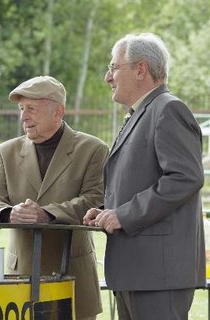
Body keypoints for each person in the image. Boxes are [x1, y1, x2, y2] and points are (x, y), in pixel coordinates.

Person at [83, 33, 205, 320]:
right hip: (138, 272)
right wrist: (106, 212)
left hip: (158, 276)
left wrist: (123, 215)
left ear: (140, 70)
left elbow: (184, 177)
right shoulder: (142, 113)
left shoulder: (168, 109)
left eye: (114, 68)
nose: (107, 77)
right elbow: (144, 180)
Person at [0, 76, 109, 320]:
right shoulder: (5, 152)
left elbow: (96, 199)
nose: (23, 117)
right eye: (21, 109)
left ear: (57, 111)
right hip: (20, 278)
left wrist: (47, 214)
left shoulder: (93, 149)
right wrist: (10, 213)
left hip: (73, 275)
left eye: (31, 109)